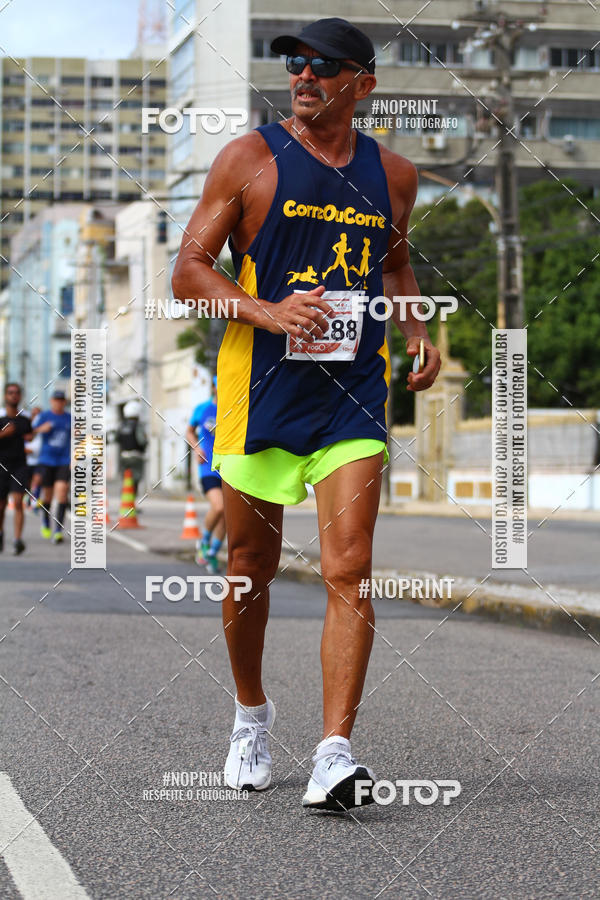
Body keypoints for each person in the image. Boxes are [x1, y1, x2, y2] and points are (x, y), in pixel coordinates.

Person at [172, 17, 441, 809]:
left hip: (352, 395)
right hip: (260, 393)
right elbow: (188, 268)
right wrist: (266, 311)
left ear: (363, 84)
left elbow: (393, 259)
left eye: (324, 66)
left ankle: (334, 753)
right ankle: (251, 714)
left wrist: (419, 326)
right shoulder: (249, 159)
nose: (303, 75)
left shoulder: (394, 174)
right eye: (294, 62)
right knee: (250, 568)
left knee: (349, 565)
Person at [186, 376, 224, 574]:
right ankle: (204, 542)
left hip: (230, 468)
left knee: (227, 516)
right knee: (219, 507)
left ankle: (212, 553)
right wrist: (196, 447)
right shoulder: (202, 409)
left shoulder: (235, 408)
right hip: (207, 467)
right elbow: (189, 431)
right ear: (213, 387)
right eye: (219, 385)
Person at [35, 390, 71, 544]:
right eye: (56, 400)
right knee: (47, 496)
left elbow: (79, 438)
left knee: (62, 493)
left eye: (61, 400)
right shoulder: (44, 417)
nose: (58, 402)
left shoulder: (70, 418)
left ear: (64, 402)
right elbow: (31, 432)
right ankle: (45, 522)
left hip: (64, 461)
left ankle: (58, 530)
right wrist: (40, 429)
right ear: (51, 401)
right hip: (46, 461)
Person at [0, 383, 32, 555]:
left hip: (20, 465)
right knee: (1, 506)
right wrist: (3, 434)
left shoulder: (25, 421)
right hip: (1, 466)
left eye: (17, 393)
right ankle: (1, 533)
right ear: (5, 396)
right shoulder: (0, 419)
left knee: (18, 501)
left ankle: (18, 539)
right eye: (10, 392)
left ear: (20, 397)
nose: (13, 395)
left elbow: (31, 437)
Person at [116, 400, 147, 504]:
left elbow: (116, 439)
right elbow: (142, 441)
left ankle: (124, 503)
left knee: (126, 480)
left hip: (124, 456)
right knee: (135, 481)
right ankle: (131, 504)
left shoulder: (121, 425)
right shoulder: (138, 426)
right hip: (136, 457)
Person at [25, 406, 43, 510]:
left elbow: (37, 448)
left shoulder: (41, 429)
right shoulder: (26, 426)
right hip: (26, 461)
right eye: (33, 414)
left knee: (37, 481)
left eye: (37, 414)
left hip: (38, 460)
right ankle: (29, 499)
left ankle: (34, 500)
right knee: (27, 482)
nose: (35, 416)